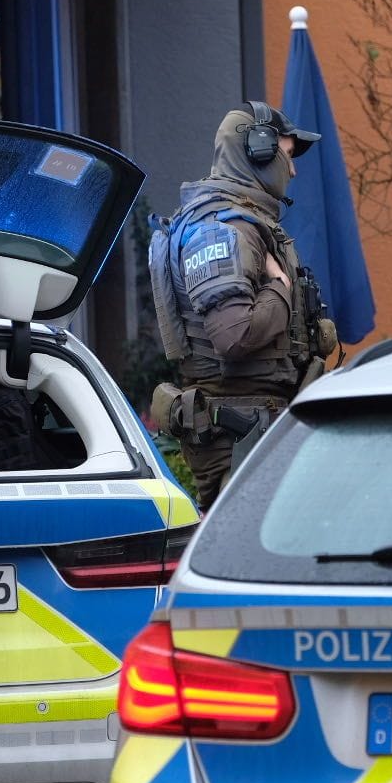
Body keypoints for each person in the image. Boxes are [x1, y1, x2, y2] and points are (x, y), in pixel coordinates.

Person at [150, 100, 338, 509]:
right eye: (288, 156)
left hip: (256, 428)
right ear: (258, 151)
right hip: (239, 435)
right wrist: (281, 286)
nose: (293, 170)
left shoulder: (243, 223)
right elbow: (233, 335)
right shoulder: (221, 229)